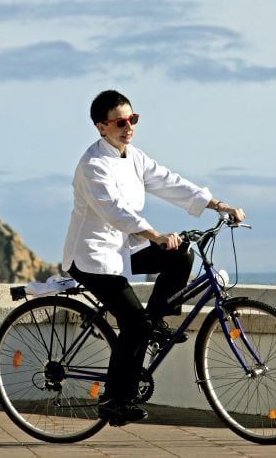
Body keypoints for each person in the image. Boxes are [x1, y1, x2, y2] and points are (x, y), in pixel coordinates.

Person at [63, 90, 245, 425]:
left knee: (181, 255)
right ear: (101, 126)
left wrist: (219, 205)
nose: (128, 126)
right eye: (120, 122)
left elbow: (170, 182)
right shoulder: (92, 166)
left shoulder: (133, 157)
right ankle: (116, 400)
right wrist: (155, 235)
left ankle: (158, 320)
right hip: (94, 256)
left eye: (133, 119)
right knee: (135, 324)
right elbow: (115, 212)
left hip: (123, 251)